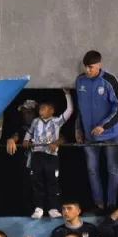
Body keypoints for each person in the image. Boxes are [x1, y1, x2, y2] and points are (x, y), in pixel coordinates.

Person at [74, 50, 118, 212]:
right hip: (90, 137)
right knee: (92, 170)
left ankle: (111, 204)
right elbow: (80, 108)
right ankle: (99, 203)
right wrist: (78, 128)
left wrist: (104, 126)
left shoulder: (109, 81)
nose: (87, 70)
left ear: (99, 65)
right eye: (85, 67)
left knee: (112, 169)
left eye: (90, 67)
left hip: (110, 134)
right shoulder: (80, 81)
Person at [24, 88, 74, 218]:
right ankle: (38, 208)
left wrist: (67, 94)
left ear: (51, 110)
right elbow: (29, 132)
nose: (41, 110)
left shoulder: (57, 121)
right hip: (37, 154)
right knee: (37, 181)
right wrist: (26, 140)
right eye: (40, 108)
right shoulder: (35, 122)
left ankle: (53, 208)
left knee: (52, 181)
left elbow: (69, 111)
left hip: (51, 156)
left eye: (44, 108)